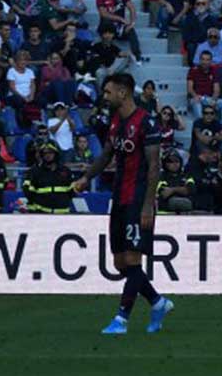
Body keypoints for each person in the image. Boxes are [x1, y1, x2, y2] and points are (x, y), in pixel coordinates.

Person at [74, 73, 173, 334]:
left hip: (138, 198)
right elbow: (107, 155)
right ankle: (157, 301)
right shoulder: (116, 121)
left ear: (123, 92)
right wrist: (87, 177)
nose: (104, 97)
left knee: (132, 259)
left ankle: (121, 320)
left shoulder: (146, 122)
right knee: (120, 264)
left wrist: (148, 205)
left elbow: (154, 166)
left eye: (108, 92)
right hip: (118, 197)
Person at [23, 140, 74, 213]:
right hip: (41, 213)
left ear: (56, 154)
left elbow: (72, 192)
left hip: (62, 214)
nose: (47, 155)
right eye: (45, 153)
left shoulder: (66, 171)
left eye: (50, 152)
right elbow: (28, 192)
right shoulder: (35, 171)